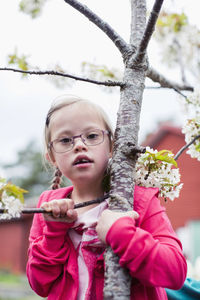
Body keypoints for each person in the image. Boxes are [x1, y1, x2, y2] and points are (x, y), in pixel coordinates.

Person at [26, 95, 187, 300]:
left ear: (111, 145)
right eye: (65, 140)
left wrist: (121, 233)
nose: (79, 146)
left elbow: (175, 272)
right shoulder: (48, 209)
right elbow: (39, 284)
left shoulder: (140, 201)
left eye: (92, 136)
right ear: (52, 157)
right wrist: (53, 233)